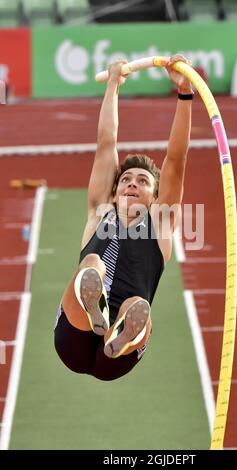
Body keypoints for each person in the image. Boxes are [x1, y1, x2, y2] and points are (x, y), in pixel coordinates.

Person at [54, 54, 194, 381]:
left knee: (136, 304)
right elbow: (107, 143)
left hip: (117, 357)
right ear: (115, 190)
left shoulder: (161, 223)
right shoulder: (100, 210)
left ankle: (122, 331)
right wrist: (113, 85)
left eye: (142, 181)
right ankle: (95, 310)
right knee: (93, 264)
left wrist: (185, 94)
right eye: (126, 179)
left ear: (156, 197)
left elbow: (176, 159)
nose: (132, 182)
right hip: (73, 335)